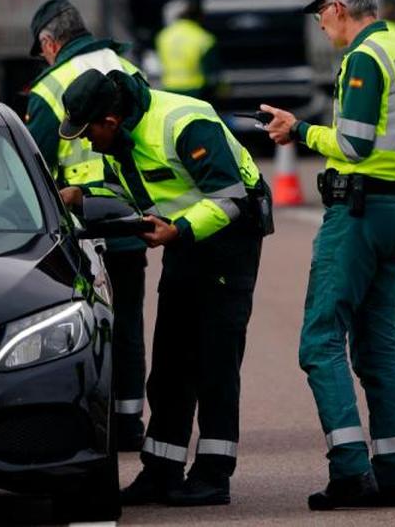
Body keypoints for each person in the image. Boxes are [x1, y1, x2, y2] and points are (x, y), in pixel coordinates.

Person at [57, 68, 271, 507]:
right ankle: (161, 471)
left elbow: (232, 198)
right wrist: (82, 193)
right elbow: (132, 188)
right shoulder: (121, 139)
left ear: (110, 121)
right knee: (171, 361)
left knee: (215, 362)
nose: (85, 142)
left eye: (87, 132)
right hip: (186, 240)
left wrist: (177, 232)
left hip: (228, 242)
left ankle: (213, 475)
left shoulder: (184, 122)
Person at [261, 0, 395, 510]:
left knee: (321, 341)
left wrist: (298, 129)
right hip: (393, 211)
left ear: (336, 8)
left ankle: (351, 470)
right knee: (380, 347)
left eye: (321, 17)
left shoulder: (363, 59)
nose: (322, 28)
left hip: (354, 213)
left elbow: (353, 144)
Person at [23, 0, 150, 449]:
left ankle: (89, 422)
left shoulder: (50, 87)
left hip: (78, 222)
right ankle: (130, 421)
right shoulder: (126, 68)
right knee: (130, 319)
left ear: (49, 43)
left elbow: (34, 165)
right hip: (132, 214)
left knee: (85, 324)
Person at [155, 0, 220, 101]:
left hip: (169, 87)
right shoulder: (204, 37)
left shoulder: (164, 35)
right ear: (199, 16)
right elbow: (211, 70)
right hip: (196, 90)